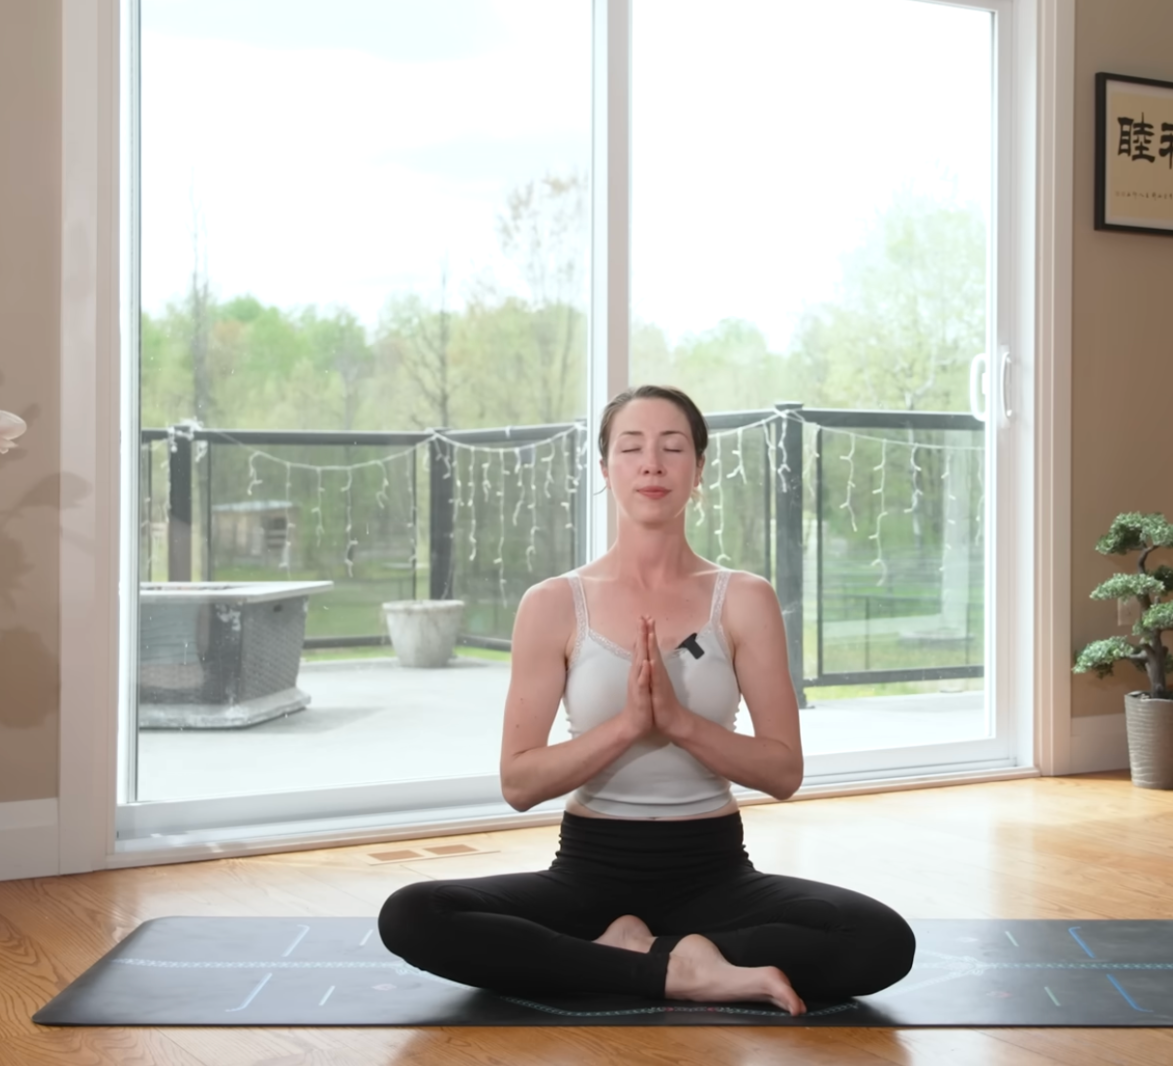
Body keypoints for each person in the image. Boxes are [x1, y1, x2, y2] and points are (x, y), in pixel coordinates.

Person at [378, 386, 916, 1014]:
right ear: (606, 471)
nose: (652, 464)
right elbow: (519, 782)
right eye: (631, 448)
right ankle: (681, 970)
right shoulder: (553, 603)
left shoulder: (743, 598)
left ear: (698, 471)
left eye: (672, 447)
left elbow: (782, 772)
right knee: (413, 915)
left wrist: (680, 724)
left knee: (881, 941)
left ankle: (625, 955)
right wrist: (629, 726)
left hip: (715, 873)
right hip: (587, 874)